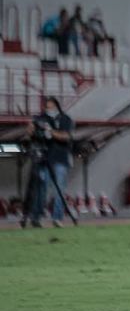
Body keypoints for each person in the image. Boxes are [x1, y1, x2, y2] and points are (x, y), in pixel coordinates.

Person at [25, 97, 75, 228]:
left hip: (60, 159)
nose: (49, 110)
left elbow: (66, 136)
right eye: (47, 107)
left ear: (57, 107)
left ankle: (57, 218)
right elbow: (30, 134)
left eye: (51, 107)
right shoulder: (41, 118)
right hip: (44, 159)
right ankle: (36, 217)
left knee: (59, 190)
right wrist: (31, 127)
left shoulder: (65, 119)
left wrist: (50, 132)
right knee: (42, 189)